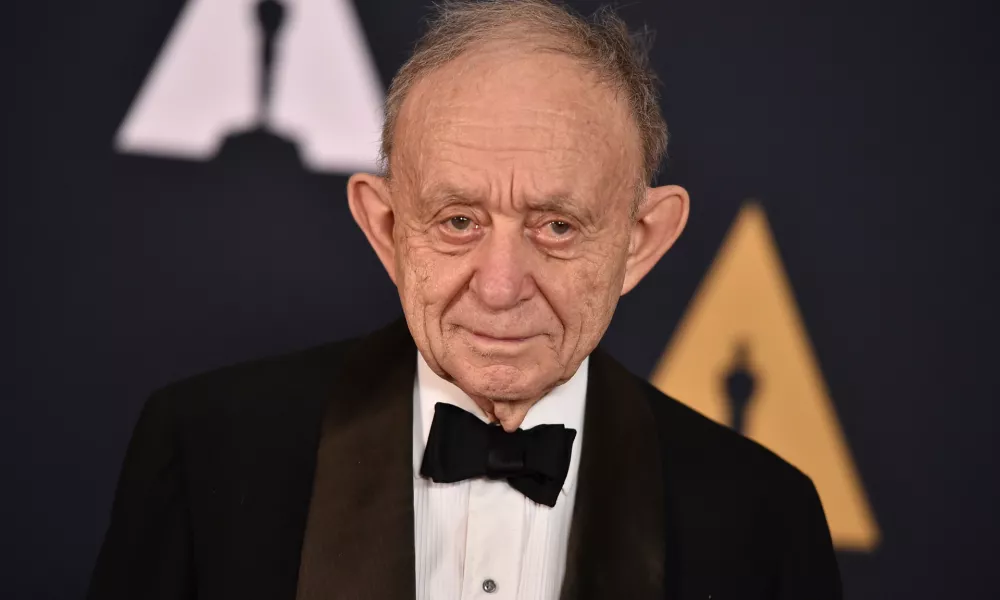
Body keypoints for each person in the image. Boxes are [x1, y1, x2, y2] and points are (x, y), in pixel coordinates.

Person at [88, 1, 841, 598]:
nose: (501, 284)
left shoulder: (762, 518)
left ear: (640, 239)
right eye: (457, 221)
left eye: (556, 225)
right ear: (386, 228)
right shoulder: (204, 455)